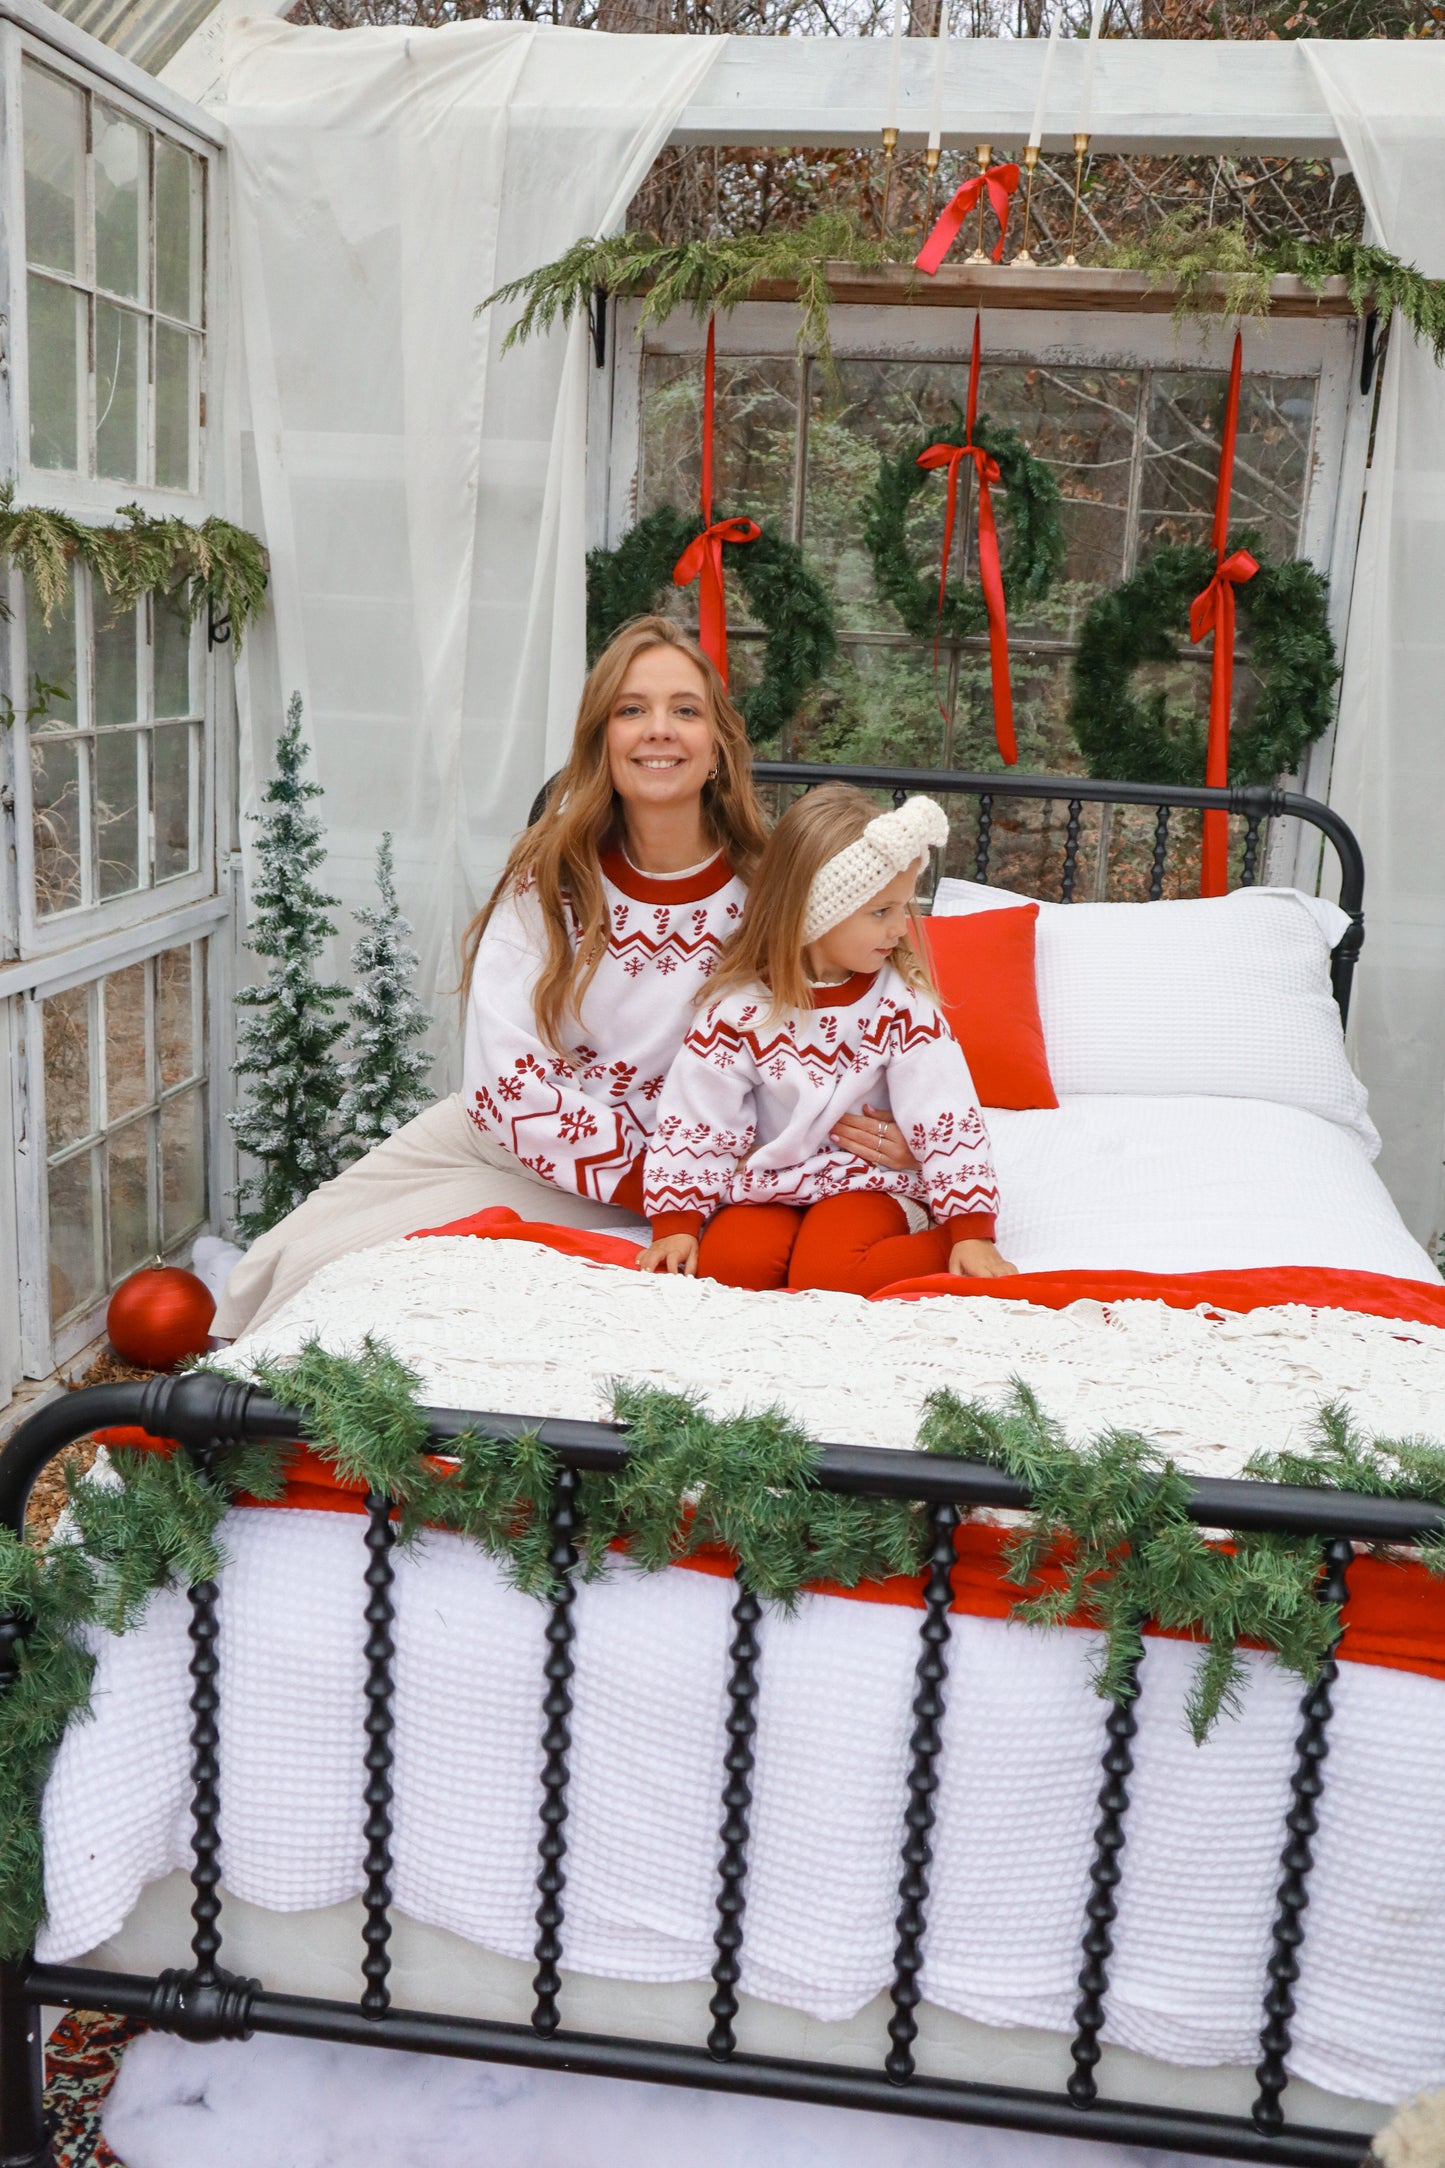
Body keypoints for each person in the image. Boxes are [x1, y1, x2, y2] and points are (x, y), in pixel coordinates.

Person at [213, 619, 918, 1336]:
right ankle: (198, 1405)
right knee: (266, 1269)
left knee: (333, 1282)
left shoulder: (768, 896)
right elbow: (503, 1077)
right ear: (601, 742)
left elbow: (854, 1024)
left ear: (717, 749)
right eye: (630, 709)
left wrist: (900, 1133)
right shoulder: (549, 880)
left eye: (685, 710)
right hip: (494, 1135)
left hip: (642, 1177)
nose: (658, 730)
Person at [639, 784, 1017, 1295]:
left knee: (831, 1274)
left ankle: (945, 1242)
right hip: (774, 1185)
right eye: (881, 912)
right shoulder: (739, 1011)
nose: (901, 929)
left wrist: (970, 1228)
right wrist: (677, 1222)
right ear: (813, 915)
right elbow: (697, 1118)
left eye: (904, 908)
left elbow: (945, 1115)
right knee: (730, 1268)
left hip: (868, 1181)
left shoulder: (901, 1008)